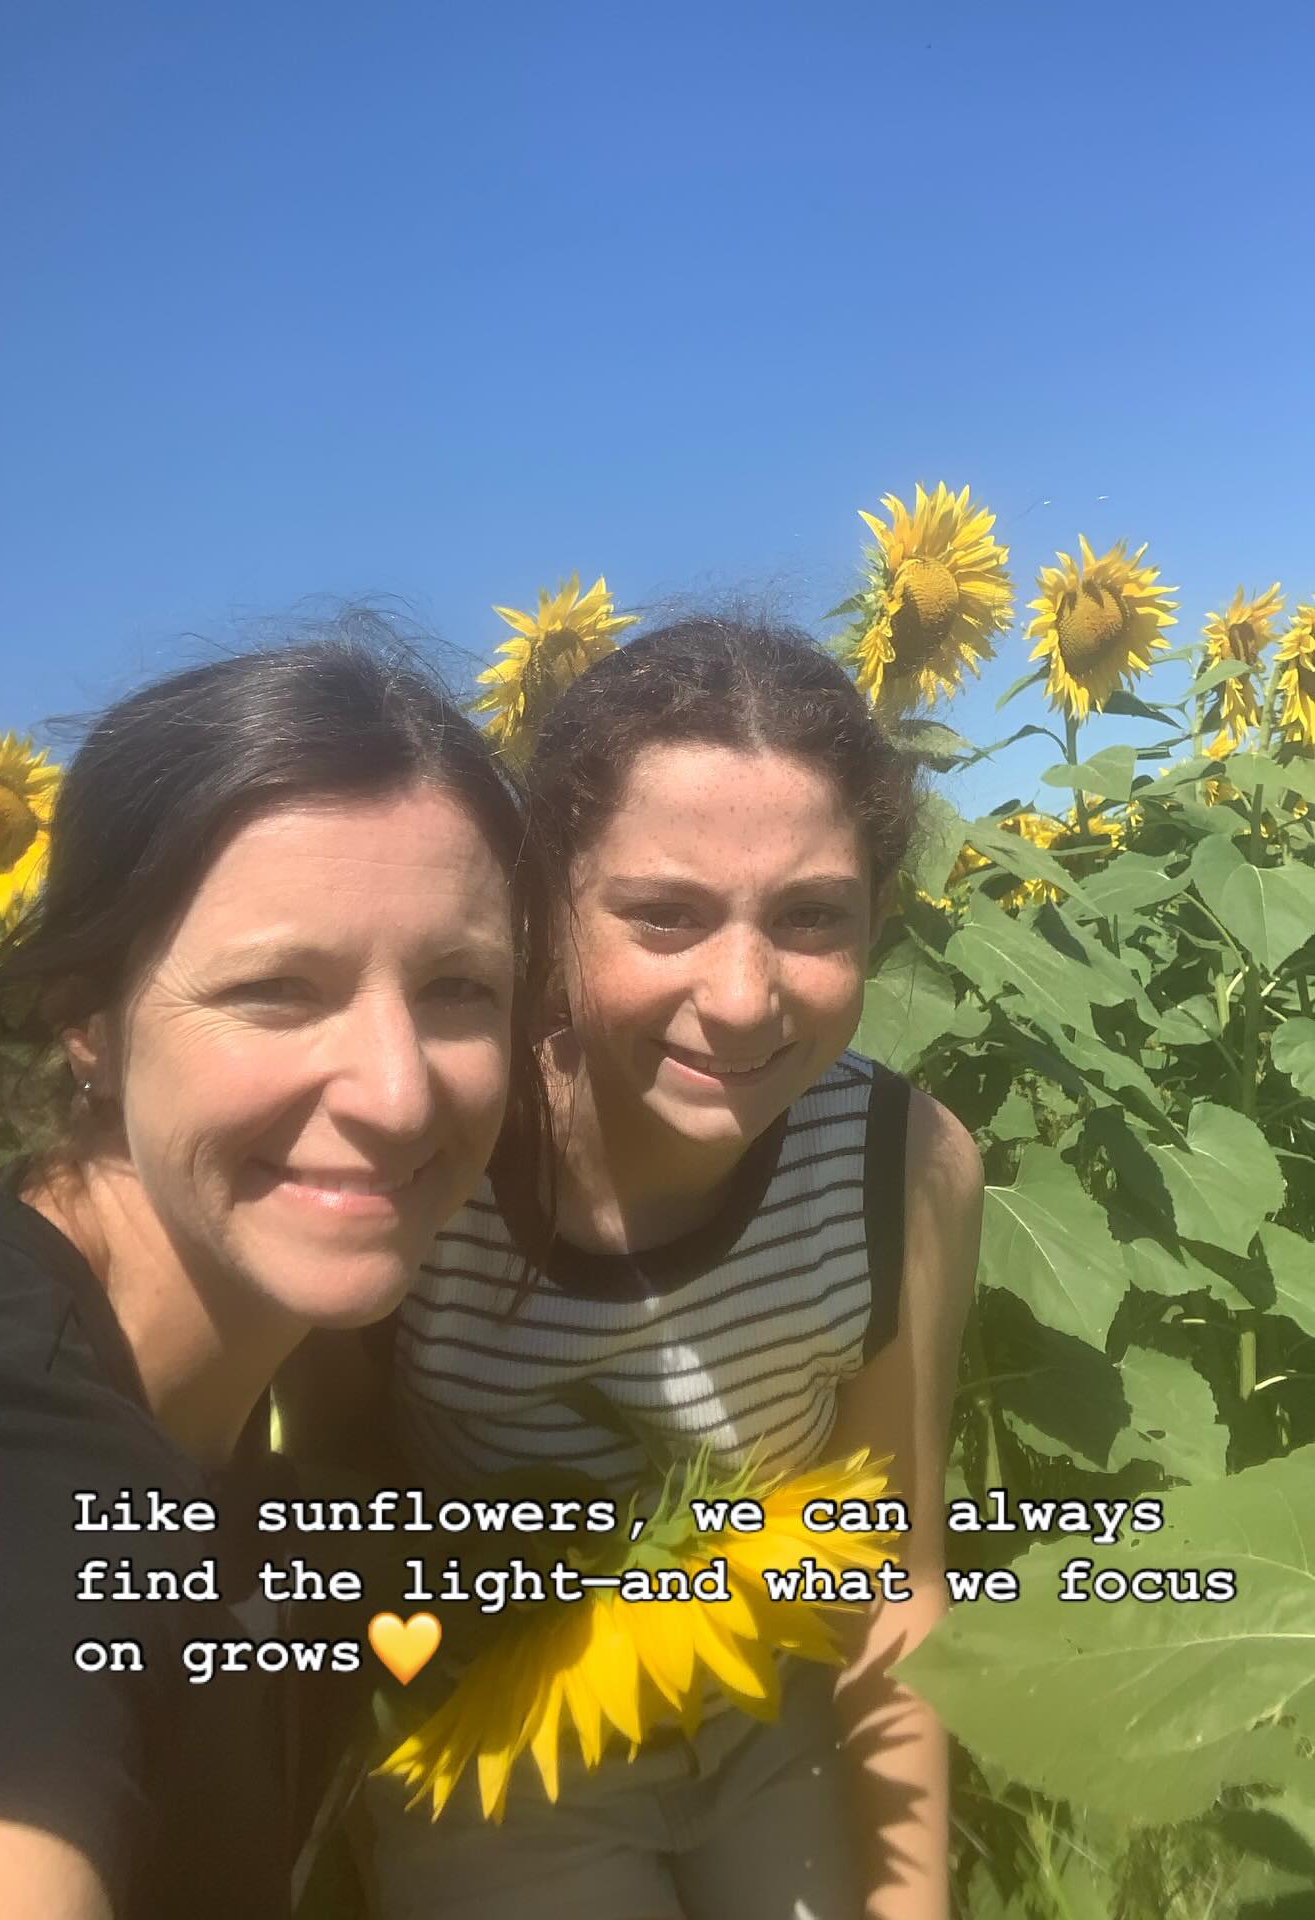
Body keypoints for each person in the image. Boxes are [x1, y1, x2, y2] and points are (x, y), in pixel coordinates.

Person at [0, 626, 551, 1920]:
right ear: (86, 1012)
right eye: (277, 990)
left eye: (460, 985)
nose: (400, 1095)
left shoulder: (231, 1353)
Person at [360, 615, 985, 1920]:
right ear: (546, 908)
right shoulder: (437, 1156)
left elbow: (894, 1581)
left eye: (813, 918)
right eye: (664, 916)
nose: (745, 994)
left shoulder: (900, 1166)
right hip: (508, 1718)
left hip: (772, 1696)